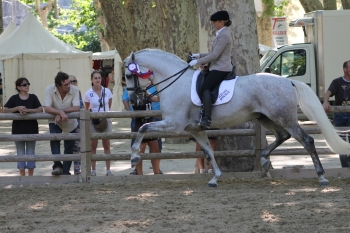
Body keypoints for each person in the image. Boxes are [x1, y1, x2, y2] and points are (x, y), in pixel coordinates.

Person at [189, 10, 233, 129]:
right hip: (216, 66)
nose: (213, 23)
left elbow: (215, 56)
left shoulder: (224, 35)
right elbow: (213, 53)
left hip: (221, 68)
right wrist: (198, 55)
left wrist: (197, 62)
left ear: (221, 22)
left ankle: (207, 118)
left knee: (205, 87)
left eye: (215, 22)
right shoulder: (221, 33)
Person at [3, 78, 42, 176]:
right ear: (18, 87)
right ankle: (22, 176)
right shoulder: (14, 98)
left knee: (30, 152)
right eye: (24, 84)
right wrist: (17, 108)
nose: (27, 86)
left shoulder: (33, 97)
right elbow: (5, 109)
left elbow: (40, 109)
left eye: (28, 84)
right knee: (20, 152)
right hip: (18, 130)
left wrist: (28, 110)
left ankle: (30, 176)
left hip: (32, 129)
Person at [44, 71, 80, 175]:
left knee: (69, 146)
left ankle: (65, 171)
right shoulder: (49, 89)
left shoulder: (75, 89)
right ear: (58, 86)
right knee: (54, 139)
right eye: (66, 85)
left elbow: (77, 107)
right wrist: (59, 112)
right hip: (54, 119)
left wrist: (62, 112)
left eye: (69, 83)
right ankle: (57, 165)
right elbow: (46, 107)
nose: (69, 86)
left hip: (70, 121)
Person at [84, 71, 114, 176]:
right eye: (95, 78)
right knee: (93, 145)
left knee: (107, 144)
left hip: (106, 119)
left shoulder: (107, 91)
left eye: (99, 78)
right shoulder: (88, 94)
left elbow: (109, 105)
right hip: (94, 121)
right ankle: (93, 170)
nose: (98, 80)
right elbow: (87, 109)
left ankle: (108, 169)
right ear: (91, 80)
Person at [323, 60, 350, 167]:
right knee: (341, 141)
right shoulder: (337, 82)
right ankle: (345, 168)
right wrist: (325, 102)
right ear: (345, 69)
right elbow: (328, 92)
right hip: (339, 115)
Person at [68, 75, 84, 175]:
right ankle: (66, 170)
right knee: (69, 147)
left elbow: (81, 107)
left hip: (78, 123)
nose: (73, 83)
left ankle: (77, 170)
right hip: (67, 123)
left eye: (74, 81)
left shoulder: (78, 92)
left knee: (77, 147)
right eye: (70, 81)